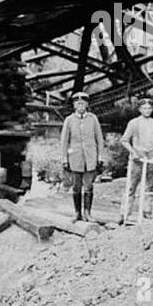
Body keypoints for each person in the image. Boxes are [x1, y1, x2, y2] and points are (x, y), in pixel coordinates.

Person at [59, 91, 104, 220]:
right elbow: (64, 142)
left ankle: (88, 213)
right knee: (76, 186)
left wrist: (100, 156)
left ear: (87, 104)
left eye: (83, 103)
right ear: (74, 105)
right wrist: (64, 159)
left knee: (89, 186)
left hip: (90, 158)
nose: (80, 106)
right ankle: (77, 213)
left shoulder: (93, 119)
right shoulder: (69, 120)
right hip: (75, 158)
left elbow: (99, 139)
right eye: (78, 103)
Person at [120, 97, 153, 224]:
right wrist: (133, 152)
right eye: (144, 108)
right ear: (139, 109)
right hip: (138, 159)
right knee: (131, 186)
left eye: (149, 108)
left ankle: (147, 211)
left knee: (150, 186)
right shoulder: (134, 123)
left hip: (152, 158)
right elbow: (124, 140)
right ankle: (125, 213)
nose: (147, 110)